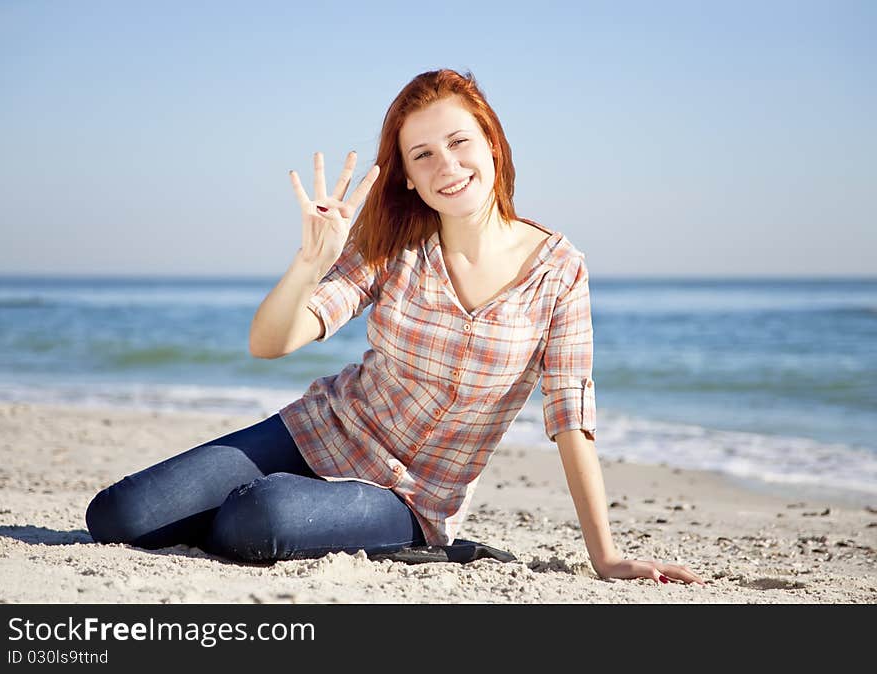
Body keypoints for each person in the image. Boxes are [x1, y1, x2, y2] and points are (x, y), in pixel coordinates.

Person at [86, 68, 705, 586]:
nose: (448, 165)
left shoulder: (560, 271)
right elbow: (270, 343)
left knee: (257, 517)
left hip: (410, 496)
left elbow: (571, 417)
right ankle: (271, 512)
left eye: (461, 142)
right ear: (407, 175)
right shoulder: (394, 245)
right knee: (118, 516)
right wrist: (310, 261)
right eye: (424, 154)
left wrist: (607, 556)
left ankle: (360, 528)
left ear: (492, 142)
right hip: (315, 433)